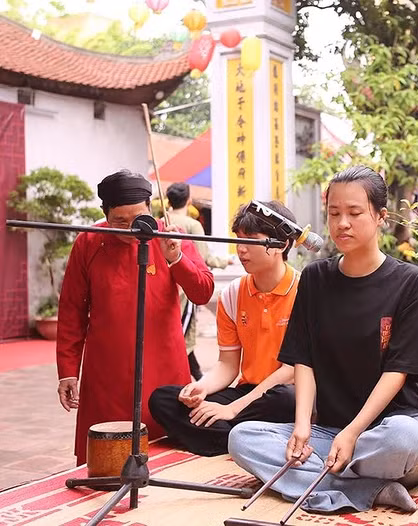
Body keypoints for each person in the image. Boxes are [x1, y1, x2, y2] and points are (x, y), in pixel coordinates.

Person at [228, 165, 418, 514]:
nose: (343, 223)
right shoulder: (315, 278)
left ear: (380, 216)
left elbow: (398, 371)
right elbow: (304, 359)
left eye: (355, 213)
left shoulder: (411, 282)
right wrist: (301, 428)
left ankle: (322, 482)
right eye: (334, 213)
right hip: (329, 431)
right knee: (242, 438)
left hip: (388, 431)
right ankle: (373, 488)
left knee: (406, 440)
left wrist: (354, 432)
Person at [56, 169, 214, 465]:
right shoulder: (90, 241)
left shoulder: (171, 237)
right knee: (107, 457)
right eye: (120, 222)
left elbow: (203, 292)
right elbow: (72, 310)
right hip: (106, 369)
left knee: (165, 451)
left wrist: (176, 259)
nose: (131, 229)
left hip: (163, 362)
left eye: (139, 218)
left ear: (151, 209)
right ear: (105, 214)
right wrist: (67, 370)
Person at [148, 201, 299, 456]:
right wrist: (202, 388)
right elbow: (228, 364)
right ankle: (242, 440)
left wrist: (233, 409)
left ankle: (226, 436)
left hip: (287, 396)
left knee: (286, 399)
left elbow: (291, 370)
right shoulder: (233, 293)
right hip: (248, 393)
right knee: (162, 400)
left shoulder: (304, 291)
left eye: (251, 240)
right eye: (238, 240)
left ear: (281, 245)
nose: (241, 250)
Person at [165, 182, 229, 380]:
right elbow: (201, 260)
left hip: (164, 288)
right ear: (189, 200)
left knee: (173, 332)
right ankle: (193, 378)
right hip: (185, 289)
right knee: (184, 335)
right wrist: (224, 261)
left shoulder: (162, 221)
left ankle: (198, 377)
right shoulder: (192, 225)